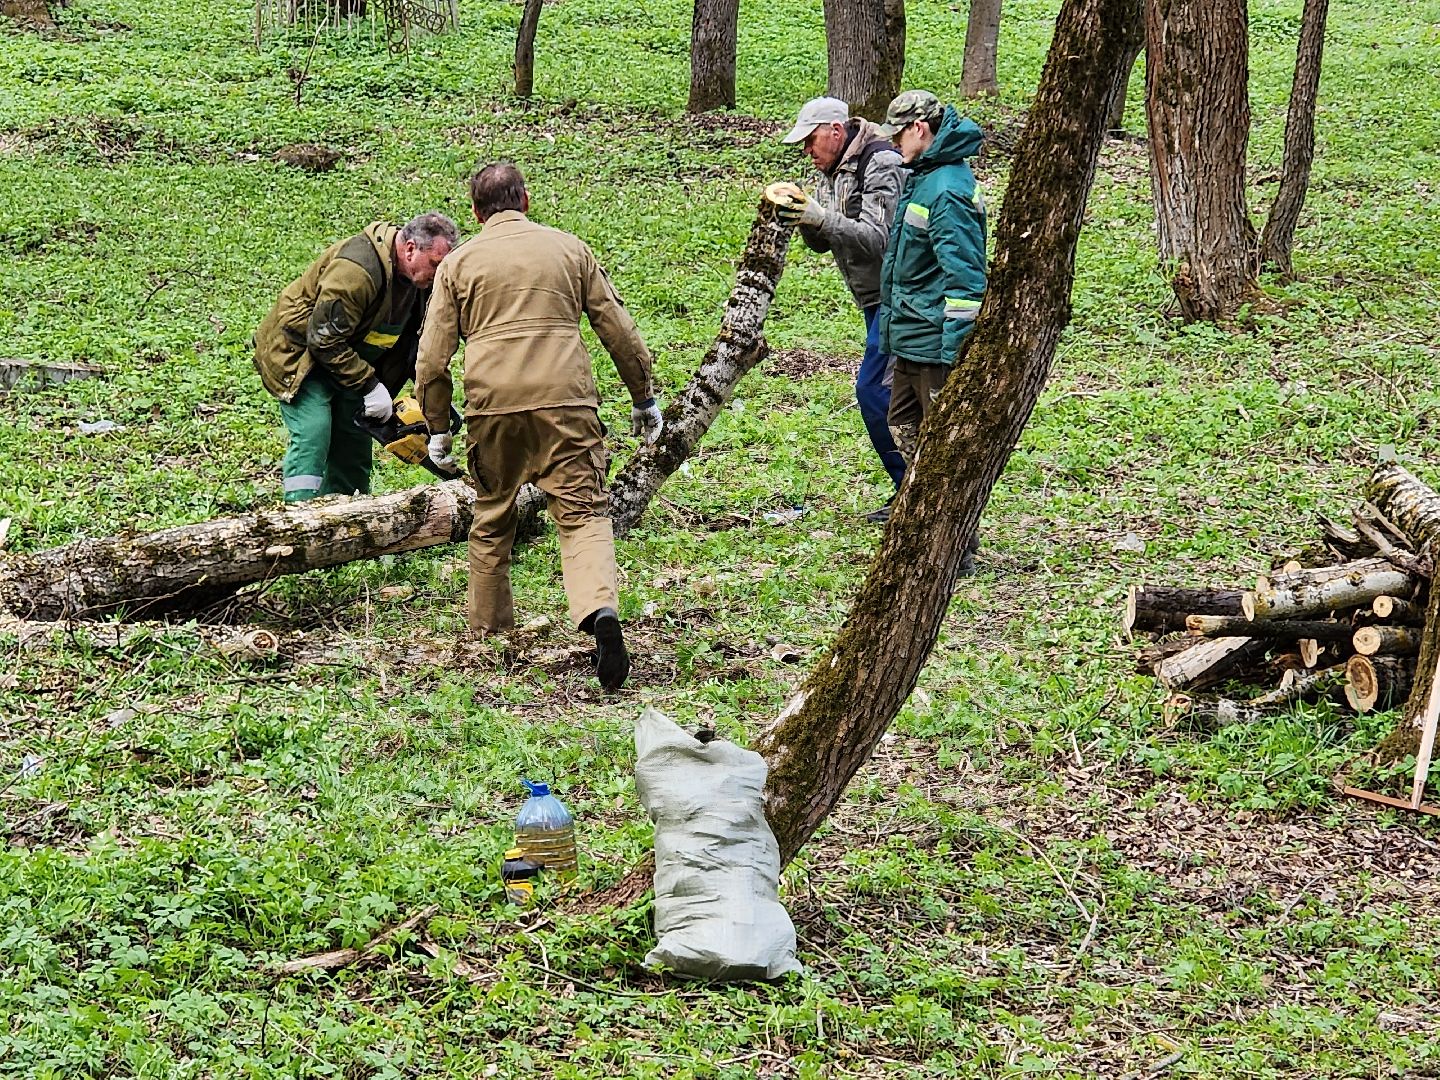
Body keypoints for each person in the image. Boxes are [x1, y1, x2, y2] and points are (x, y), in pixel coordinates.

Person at [413, 163, 662, 691]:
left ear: (477, 213)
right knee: (582, 516)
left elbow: (432, 360)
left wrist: (438, 427)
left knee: (492, 516)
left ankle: (490, 637)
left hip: (492, 408)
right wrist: (643, 397)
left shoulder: (458, 264)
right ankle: (599, 610)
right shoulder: (570, 250)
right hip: (566, 403)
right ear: (525, 199)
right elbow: (616, 328)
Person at [253, 212, 458, 502]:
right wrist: (370, 386)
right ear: (410, 248)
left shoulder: (419, 283)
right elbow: (323, 339)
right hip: (304, 360)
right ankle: (299, 518)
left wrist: (434, 406)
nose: (438, 274)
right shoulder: (357, 270)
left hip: (355, 366)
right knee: (314, 433)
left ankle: (350, 524)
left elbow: (415, 345)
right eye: (435, 264)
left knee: (354, 445)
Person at [774, 96, 907, 523]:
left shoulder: (881, 162)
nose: (807, 152)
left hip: (898, 297)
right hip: (874, 299)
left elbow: (878, 239)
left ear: (835, 129)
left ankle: (912, 489)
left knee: (874, 392)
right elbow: (823, 239)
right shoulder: (834, 170)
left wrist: (819, 217)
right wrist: (802, 217)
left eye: (811, 141)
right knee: (895, 397)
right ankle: (912, 489)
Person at [876, 90, 987, 567]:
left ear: (919, 129)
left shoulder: (946, 190)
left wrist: (955, 353)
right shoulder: (926, 178)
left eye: (898, 135)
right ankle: (923, 523)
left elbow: (966, 279)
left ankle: (955, 541)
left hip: (935, 345)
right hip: (911, 337)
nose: (894, 144)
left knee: (944, 445)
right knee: (903, 424)